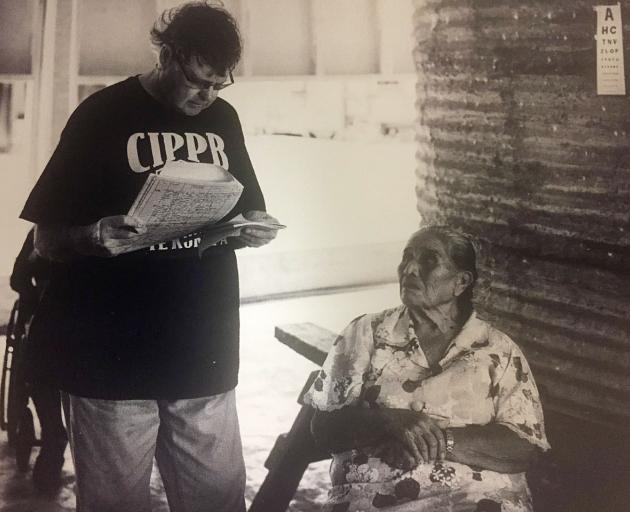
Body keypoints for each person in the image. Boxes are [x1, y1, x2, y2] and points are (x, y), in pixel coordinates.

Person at [19, 2, 280, 511]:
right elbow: (45, 241)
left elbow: (243, 207)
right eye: (200, 81)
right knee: (115, 503)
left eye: (220, 86)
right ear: (169, 55)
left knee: (218, 501)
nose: (208, 97)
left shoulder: (223, 119)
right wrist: (93, 236)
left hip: (202, 346)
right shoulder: (101, 115)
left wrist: (252, 229)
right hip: (112, 355)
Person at [304, 226, 550, 512]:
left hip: (476, 497)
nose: (409, 269)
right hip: (376, 496)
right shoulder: (366, 332)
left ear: (461, 282)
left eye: (428, 260)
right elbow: (323, 428)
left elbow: (523, 447)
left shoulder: (497, 349)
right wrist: (390, 421)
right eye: (406, 258)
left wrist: (437, 443)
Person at [10, 229, 68, 495]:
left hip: (71, 334)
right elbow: (18, 278)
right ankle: (47, 481)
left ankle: (48, 476)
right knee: (55, 430)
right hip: (41, 338)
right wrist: (37, 299)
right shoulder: (41, 231)